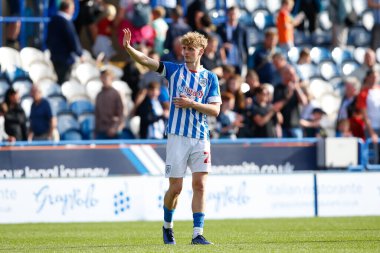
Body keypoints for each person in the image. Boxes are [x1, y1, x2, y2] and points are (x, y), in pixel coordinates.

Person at [123, 28, 221, 245]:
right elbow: (148, 61)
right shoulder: (174, 70)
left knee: (200, 185)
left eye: (190, 49)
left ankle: (198, 233)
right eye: (184, 48)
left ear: (201, 51)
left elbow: (215, 110)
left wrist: (192, 104)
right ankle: (167, 226)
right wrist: (130, 49)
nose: (186, 52)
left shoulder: (210, 78)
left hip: (201, 137)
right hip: (177, 136)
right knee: (176, 188)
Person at [46, 0, 84, 85]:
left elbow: (48, 39)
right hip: (65, 59)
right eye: (73, 8)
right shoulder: (66, 22)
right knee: (64, 82)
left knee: (60, 79)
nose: (73, 11)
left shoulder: (53, 20)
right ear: (67, 9)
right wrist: (80, 54)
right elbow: (72, 39)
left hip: (55, 56)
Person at [216, 6, 249, 74]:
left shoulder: (242, 28)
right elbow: (216, 42)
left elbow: (246, 46)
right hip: (225, 61)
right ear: (227, 14)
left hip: (238, 61)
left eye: (234, 14)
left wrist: (245, 60)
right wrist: (223, 45)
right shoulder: (220, 28)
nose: (232, 16)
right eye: (231, 14)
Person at [95, 69, 124, 139]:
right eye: (102, 77)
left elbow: (120, 114)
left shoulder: (116, 94)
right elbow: (97, 115)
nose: (103, 80)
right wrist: (95, 131)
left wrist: (115, 128)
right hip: (101, 132)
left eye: (105, 77)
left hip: (113, 132)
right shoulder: (99, 95)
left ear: (111, 78)